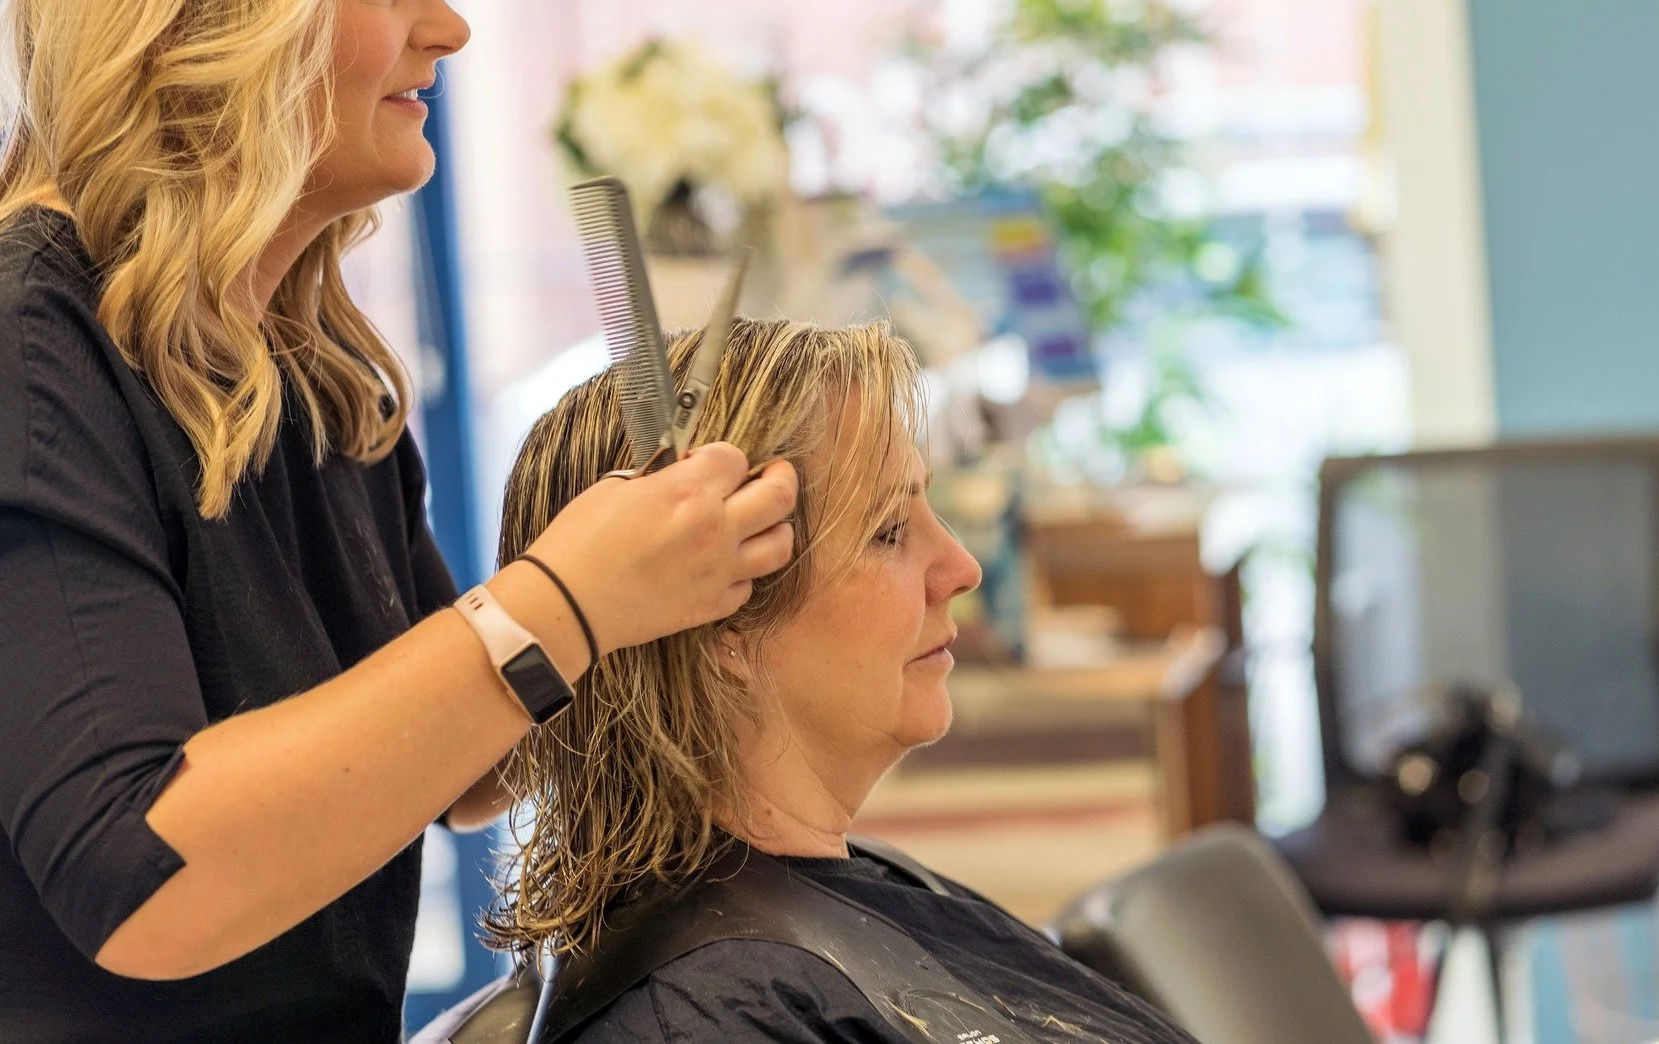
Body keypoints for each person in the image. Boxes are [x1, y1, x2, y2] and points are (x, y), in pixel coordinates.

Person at [0, 0, 798, 1042]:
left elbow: (466, 760)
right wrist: (561, 601)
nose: (449, 25)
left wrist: (666, 595)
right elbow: (156, 872)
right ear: (210, 20)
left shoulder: (307, 373)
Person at [488, 318, 1198, 1044]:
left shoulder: (841, 899)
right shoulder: (712, 1018)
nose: (961, 567)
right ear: (713, 614)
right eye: (889, 529)